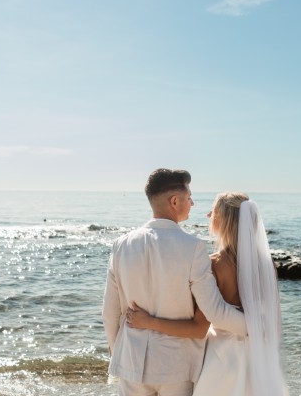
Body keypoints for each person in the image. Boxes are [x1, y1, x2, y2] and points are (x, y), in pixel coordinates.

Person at [127, 192, 288, 396]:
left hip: (222, 358)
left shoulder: (214, 264)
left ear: (223, 219)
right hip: (258, 357)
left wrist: (149, 321)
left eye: (213, 210)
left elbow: (198, 327)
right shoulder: (266, 265)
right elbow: (268, 317)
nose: (208, 215)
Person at [102, 169, 247, 396]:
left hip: (131, 363)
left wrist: (118, 353)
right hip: (176, 367)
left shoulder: (121, 245)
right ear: (174, 201)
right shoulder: (194, 248)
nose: (192, 203)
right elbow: (215, 311)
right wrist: (257, 327)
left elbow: (110, 313)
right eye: (189, 198)